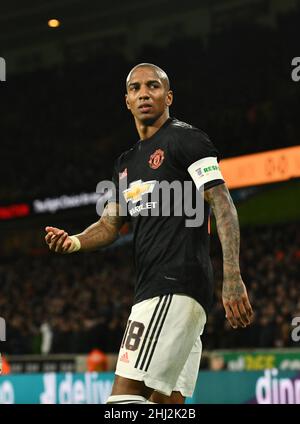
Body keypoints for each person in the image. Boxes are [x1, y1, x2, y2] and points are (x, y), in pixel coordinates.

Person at [45, 63, 253, 404]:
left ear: (168, 96)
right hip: (162, 292)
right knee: (165, 402)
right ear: (126, 100)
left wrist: (232, 276)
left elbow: (222, 203)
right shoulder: (125, 164)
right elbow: (110, 224)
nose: (144, 93)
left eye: (153, 86)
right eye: (136, 88)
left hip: (173, 285)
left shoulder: (186, 139)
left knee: (123, 398)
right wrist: (75, 242)